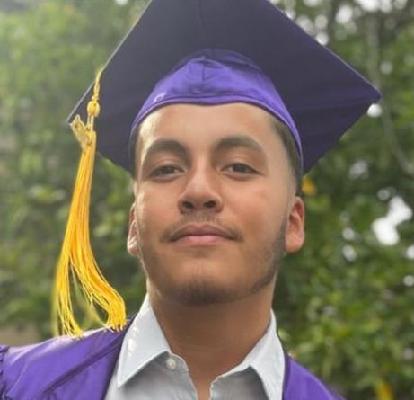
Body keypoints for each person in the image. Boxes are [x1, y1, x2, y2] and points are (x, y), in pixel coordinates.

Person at [0, 0, 381, 399]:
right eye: (166, 169)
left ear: (293, 222)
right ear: (133, 225)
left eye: (238, 166)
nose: (198, 190)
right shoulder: (20, 386)